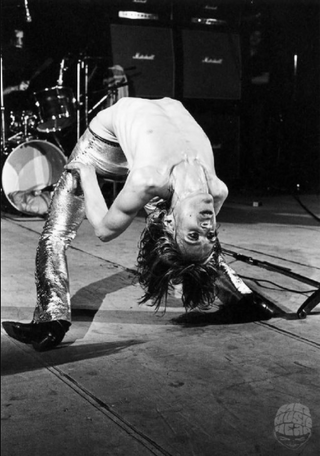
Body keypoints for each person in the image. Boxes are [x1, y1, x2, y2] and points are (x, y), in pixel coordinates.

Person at [2, 97, 274, 351]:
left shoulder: (148, 180)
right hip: (153, 164)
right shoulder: (217, 191)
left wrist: (87, 173)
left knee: (55, 234)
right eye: (210, 233)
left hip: (102, 149)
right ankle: (242, 297)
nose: (206, 225)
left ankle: (51, 321)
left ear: (170, 221)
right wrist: (193, 254)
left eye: (194, 234)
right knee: (193, 246)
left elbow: (104, 229)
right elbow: (203, 248)